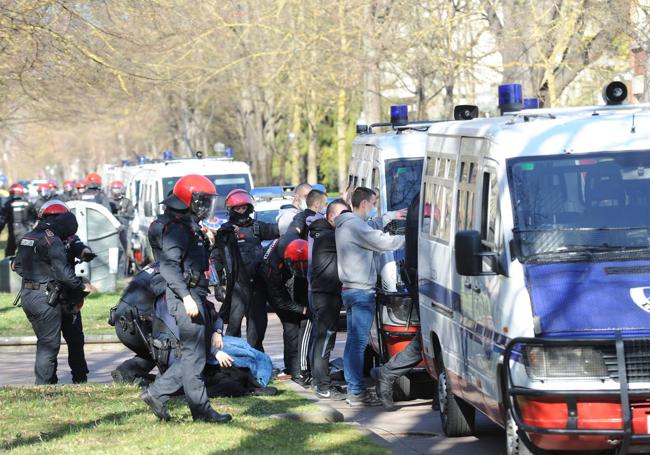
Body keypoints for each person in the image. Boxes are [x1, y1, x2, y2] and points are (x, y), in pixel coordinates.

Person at [141, 174, 231, 423]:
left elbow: (193, 260)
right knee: (195, 355)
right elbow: (169, 266)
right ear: (187, 200)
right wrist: (186, 297)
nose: (205, 206)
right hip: (186, 296)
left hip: (193, 293)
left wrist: (208, 241)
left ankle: (157, 393)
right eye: (201, 200)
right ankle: (200, 411)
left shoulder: (185, 224)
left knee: (196, 353)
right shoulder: (176, 229)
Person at [335, 187, 406, 406]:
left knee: (353, 343)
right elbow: (381, 241)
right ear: (365, 203)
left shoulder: (347, 223)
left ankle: (354, 389)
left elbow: (370, 226)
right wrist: (409, 235)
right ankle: (356, 392)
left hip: (349, 289)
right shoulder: (355, 225)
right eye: (374, 203)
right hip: (361, 291)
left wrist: (391, 217)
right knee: (358, 344)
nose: (374, 207)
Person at [13, 200, 94, 384]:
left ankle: (56, 383)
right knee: (49, 345)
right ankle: (46, 387)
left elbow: (17, 266)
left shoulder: (29, 236)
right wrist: (82, 286)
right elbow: (63, 274)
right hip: (50, 298)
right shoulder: (53, 240)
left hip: (33, 296)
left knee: (63, 340)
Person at [372, 194, 422, 409]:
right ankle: (388, 373)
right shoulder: (427, 203)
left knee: (435, 342)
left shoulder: (420, 201)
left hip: (422, 276)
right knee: (427, 341)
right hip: (426, 278)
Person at [218, 189, 279, 351]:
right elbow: (216, 258)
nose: (241, 211)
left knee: (257, 325)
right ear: (231, 210)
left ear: (249, 208)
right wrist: (218, 285)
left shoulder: (257, 227)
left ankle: (256, 359)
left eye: (243, 208)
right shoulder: (224, 232)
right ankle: (233, 361)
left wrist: (295, 220)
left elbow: (279, 230)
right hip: (237, 286)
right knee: (233, 326)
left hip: (257, 284)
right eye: (237, 209)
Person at [309, 199, 349, 400]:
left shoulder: (325, 234)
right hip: (325, 295)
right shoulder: (328, 236)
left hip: (326, 294)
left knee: (324, 340)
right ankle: (323, 386)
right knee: (325, 341)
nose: (347, 218)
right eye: (344, 214)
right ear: (331, 217)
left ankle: (320, 382)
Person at [258, 237, 310, 384]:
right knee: (291, 325)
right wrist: (303, 309)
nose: (300, 268)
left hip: (285, 276)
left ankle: (302, 365)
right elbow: (280, 301)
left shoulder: (298, 242)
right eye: (297, 266)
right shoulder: (272, 268)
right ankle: (293, 369)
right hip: (262, 285)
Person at [110, 262, 166, 384]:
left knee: (149, 353)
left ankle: (126, 371)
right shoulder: (167, 271)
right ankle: (168, 381)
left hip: (122, 322)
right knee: (168, 346)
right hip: (137, 325)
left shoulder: (152, 267)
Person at [0, 184, 37, 256]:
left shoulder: (7, 204)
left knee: (9, 253)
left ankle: (11, 265)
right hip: (26, 231)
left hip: (13, 232)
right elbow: (35, 217)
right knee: (28, 252)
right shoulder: (28, 203)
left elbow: (2, 220)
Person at [109, 180, 135, 275]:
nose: (116, 190)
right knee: (112, 252)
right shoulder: (108, 201)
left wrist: (122, 214)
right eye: (114, 188)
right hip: (110, 231)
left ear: (122, 189)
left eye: (118, 188)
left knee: (124, 252)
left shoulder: (127, 201)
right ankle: (112, 274)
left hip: (124, 231)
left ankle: (122, 275)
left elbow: (131, 215)